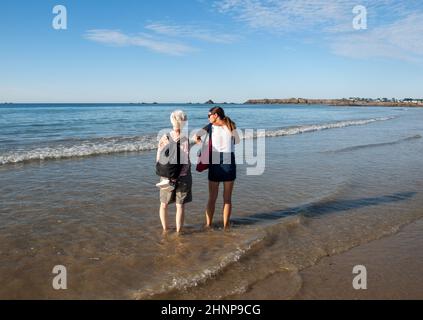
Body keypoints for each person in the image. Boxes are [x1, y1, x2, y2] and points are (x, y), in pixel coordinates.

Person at [195, 107, 240, 229]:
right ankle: (226, 226)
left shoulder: (210, 126)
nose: (208, 117)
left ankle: (208, 225)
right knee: (227, 199)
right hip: (229, 161)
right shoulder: (231, 125)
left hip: (215, 161)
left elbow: (196, 136)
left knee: (212, 197)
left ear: (215, 115)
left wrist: (203, 145)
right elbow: (237, 141)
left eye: (209, 115)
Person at [157, 110, 192, 233]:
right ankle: (178, 232)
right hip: (182, 177)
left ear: (172, 121)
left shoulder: (164, 136)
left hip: (166, 176)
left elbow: (159, 158)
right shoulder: (184, 139)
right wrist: (177, 176)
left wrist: (166, 175)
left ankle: (165, 230)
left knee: (163, 204)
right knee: (180, 205)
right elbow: (186, 162)